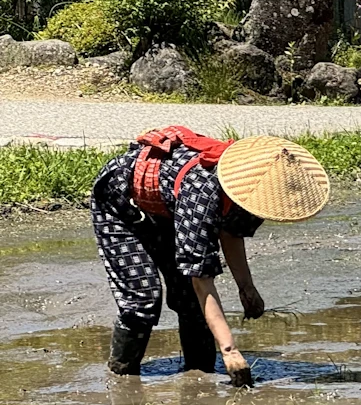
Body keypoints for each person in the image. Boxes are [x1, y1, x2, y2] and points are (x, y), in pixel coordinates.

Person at [91, 127, 330, 386]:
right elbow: (200, 277)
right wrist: (230, 351)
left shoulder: (245, 195)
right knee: (142, 301)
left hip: (168, 207)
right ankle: (122, 376)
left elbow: (230, 231)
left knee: (190, 302)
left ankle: (199, 372)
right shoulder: (202, 192)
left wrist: (246, 287)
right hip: (121, 205)